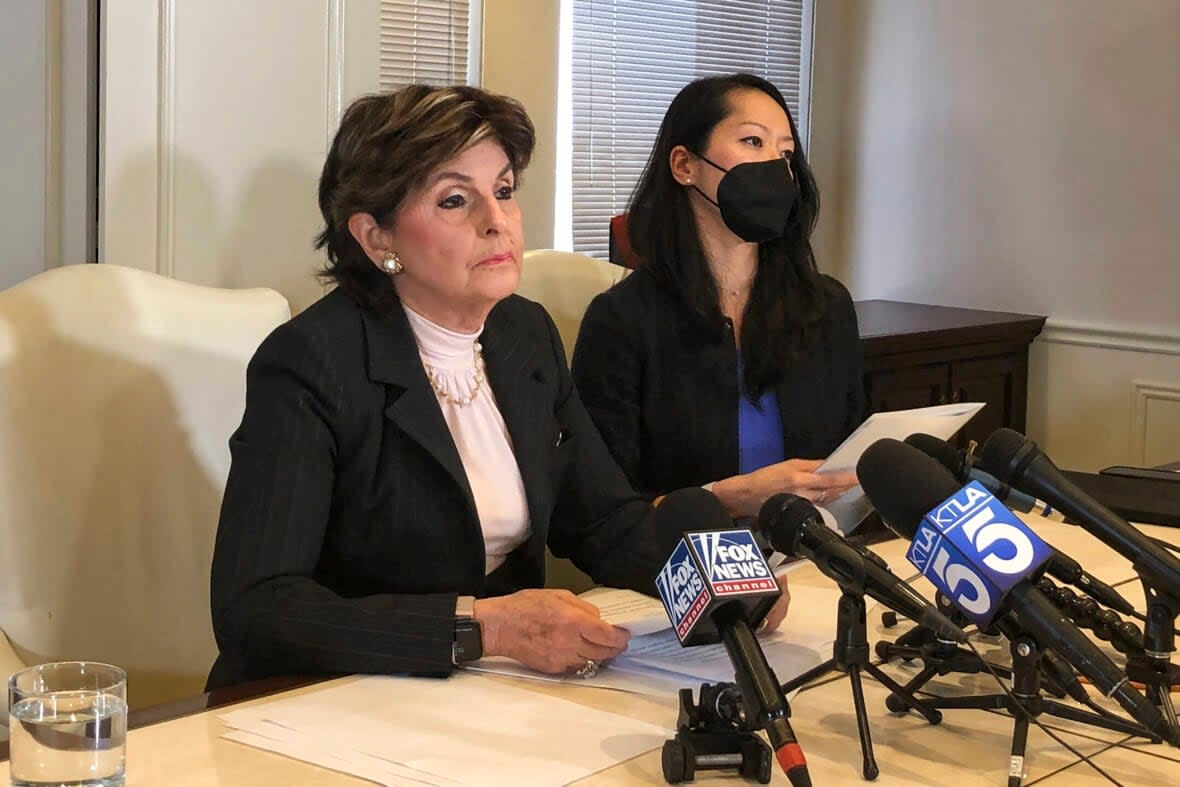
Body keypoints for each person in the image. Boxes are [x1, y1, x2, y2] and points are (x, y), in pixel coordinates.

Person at [207, 85, 789, 691]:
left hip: (483, 694)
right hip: (324, 698)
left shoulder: (522, 333)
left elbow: (603, 521)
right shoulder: (310, 362)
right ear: (377, 238)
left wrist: (724, 582)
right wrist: (485, 627)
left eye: (504, 191)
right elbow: (258, 609)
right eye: (456, 200)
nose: (497, 222)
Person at [572, 73, 864, 520]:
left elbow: (848, 464)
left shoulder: (826, 308)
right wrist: (723, 499)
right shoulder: (621, 321)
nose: (775, 166)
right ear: (685, 165)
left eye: (785, 153)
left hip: (813, 566)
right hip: (681, 572)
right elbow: (599, 515)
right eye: (753, 141)